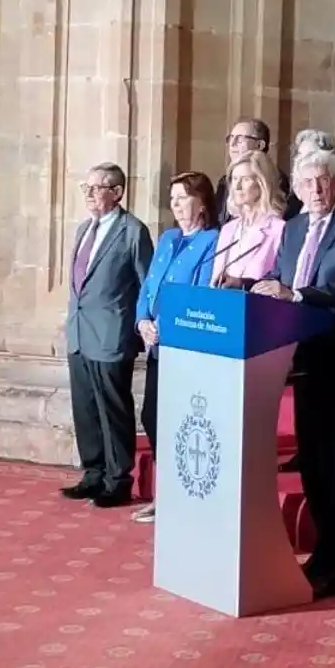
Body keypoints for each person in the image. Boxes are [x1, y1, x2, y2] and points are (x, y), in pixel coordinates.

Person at [252, 148, 335, 597]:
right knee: (312, 461)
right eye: (306, 183)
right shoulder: (292, 229)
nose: (315, 190)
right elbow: (278, 276)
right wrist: (252, 285)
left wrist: (299, 295)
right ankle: (326, 549)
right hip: (301, 356)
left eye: (322, 181)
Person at [60, 163, 155, 508]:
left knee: (113, 408)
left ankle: (118, 480)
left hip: (111, 334)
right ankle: (94, 473)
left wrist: (143, 323)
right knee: (85, 408)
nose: (88, 193)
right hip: (80, 333)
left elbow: (147, 284)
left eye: (97, 187)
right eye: (85, 186)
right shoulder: (84, 229)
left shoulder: (133, 231)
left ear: (117, 192)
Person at [132, 173, 221, 524]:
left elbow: (197, 295)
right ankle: (164, 493)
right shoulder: (168, 238)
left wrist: (164, 327)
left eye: (183, 197)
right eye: (173, 199)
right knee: (151, 416)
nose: (177, 205)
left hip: (184, 348)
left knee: (175, 421)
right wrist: (142, 321)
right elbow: (149, 287)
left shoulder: (212, 240)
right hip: (156, 346)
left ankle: (178, 496)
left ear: (202, 202)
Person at [211, 150, 288, 287]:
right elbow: (215, 280)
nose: (237, 187)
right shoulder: (228, 229)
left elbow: (276, 281)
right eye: (234, 179)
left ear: (263, 183)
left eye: (246, 179)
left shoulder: (279, 230)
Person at [216, 118, 275, 206]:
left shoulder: (274, 179)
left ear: (260, 145)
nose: (232, 144)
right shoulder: (224, 181)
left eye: (240, 139)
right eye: (231, 138)